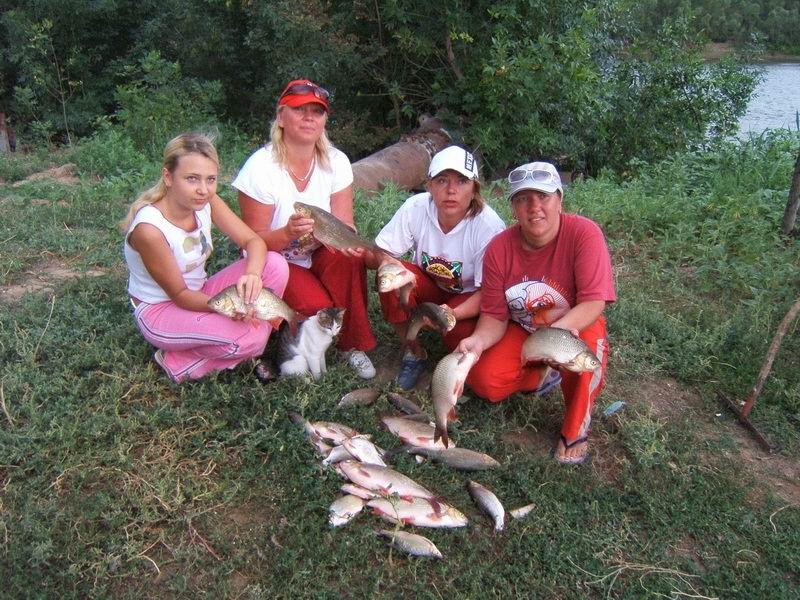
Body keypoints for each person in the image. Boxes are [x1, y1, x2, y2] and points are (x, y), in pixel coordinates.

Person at [456, 161, 615, 464]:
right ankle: (542, 375)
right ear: (513, 208)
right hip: (524, 326)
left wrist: (556, 337)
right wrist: (477, 341)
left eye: (543, 196)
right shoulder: (499, 248)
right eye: (523, 199)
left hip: (576, 322)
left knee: (585, 358)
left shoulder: (584, 234)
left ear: (560, 200)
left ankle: (575, 428)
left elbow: (594, 302)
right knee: (486, 380)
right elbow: (494, 318)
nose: (534, 207)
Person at [233, 79, 376, 379]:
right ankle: (272, 344)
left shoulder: (336, 161)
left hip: (319, 249)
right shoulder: (259, 168)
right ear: (281, 117)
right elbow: (251, 242)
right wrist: (288, 233)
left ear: (324, 120)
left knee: (349, 258)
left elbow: (344, 224)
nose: (309, 117)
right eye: (300, 110)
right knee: (318, 310)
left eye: (317, 111)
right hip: (276, 260)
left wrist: (344, 240)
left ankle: (352, 345)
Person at [122, 132, 289, 383]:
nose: (203, 189)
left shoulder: (207, 201)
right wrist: (230, 309)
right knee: (251, 339)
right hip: (161, 310)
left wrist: (253, 275)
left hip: (200, 291)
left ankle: (241, 336)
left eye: (210, 179)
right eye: (191, 179)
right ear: (168, 177)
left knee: (275, 264)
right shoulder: (150, 230)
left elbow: (253, 241)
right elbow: (180, 295)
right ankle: (175, 362)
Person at [370, 145, 506, 390]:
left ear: (475, 188)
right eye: (442, 180)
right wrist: (389, 265)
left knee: (458, 337)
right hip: (429, 285)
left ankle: (450, 369)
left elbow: (490, 292)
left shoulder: (489, 227)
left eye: (462, 181)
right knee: (391, 277)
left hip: (469, 296)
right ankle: (413, 352)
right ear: (429, 185)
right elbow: (380, 251)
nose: (451, 190)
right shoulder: (416, 208)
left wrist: (452, 313)